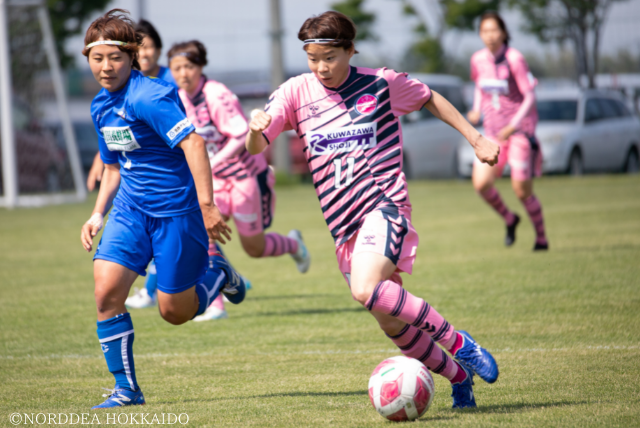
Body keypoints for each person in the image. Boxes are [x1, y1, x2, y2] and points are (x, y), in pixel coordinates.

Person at [246, 11, 500, 410]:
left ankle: (460, 343)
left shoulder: (381, 84)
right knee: (389, 319)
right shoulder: (295, 92)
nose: (321, 67)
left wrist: (476, 138)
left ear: (350, 49)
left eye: (329, 56)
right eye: (312, 57)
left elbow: (429, 96)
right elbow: (257, 147)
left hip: (385, 207)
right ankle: (458, 376)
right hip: (342, 226)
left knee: (366, 289)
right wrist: (255, 128)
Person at [80, 9, 246, 409]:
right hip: (130, 211)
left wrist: (207, 206)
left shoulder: (149, 96)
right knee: (106, 293)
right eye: (97, 58)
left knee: (174, 312)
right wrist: (97, 214)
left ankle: (218, 272)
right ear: (87, 58)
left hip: (176, 214)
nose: (106, 67)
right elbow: (114, 166)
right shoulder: (101, 106)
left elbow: (192, 144)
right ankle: (126, 390)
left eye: (115, 57)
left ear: (133, 56)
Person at [167, 40, 311, 321]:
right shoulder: (177, 98)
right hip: (216, 182)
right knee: (202, 231)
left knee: (254, 248)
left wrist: (215, 161)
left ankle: (294, 244)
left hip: (246, 178)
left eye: (189, 66)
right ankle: (215, 303)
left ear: (200, 67)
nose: (183, 73)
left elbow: (240, 135)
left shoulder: (216, 94)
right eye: (176, 68)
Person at [467, 12, 548, 250]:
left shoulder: (515, 59)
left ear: (503, 32)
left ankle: (541, 238)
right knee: (481, 184)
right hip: (491, 133)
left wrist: (514, 124)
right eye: (485, 31)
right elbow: (479, 88)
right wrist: (475, 110)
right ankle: (510, 219)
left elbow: (530, 95)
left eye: (494, 30)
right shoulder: (478, 59)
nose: (490, 36)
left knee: (521, 190)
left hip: (519, 132)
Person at [86, 18, 175, 193]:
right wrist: (101, 158)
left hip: (170, 174)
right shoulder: (121, 88)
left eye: (149, 47)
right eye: (140, 48)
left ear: (158, 51)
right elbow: (118, 128)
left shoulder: (170, 82)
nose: (144, 53)